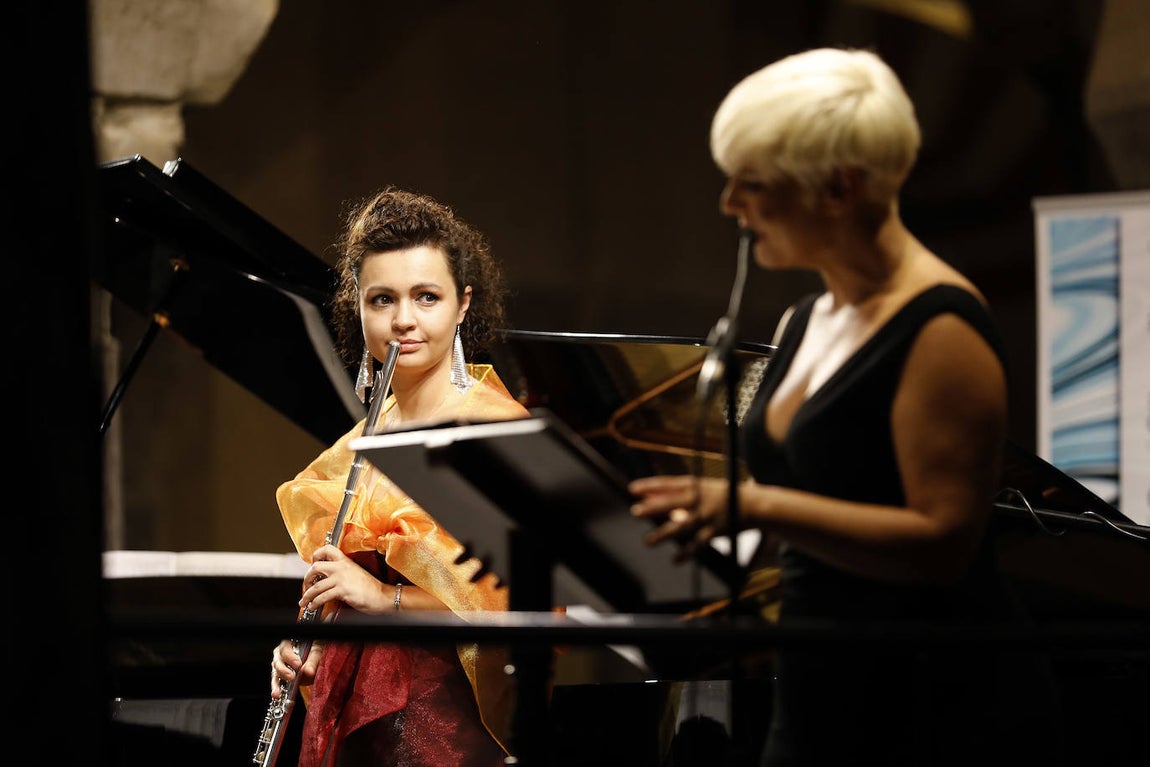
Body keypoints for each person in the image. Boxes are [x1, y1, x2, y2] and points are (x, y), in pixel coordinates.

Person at [629, 48, 1063, 766]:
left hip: (933, 698)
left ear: (839, 187)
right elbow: (806, 507)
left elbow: (943, 540)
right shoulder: (807, 319)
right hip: (820, 676)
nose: (728, 203)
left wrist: (755, 506)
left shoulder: (941, 327)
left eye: (752, 183)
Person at [269, 187, 530, 766]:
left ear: (462, 305)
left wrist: (385, 597)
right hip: (353, 733)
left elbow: (528, 608)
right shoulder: (358, 443)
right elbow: (343, 597)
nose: (403, 320)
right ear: (356, 305)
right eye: (382, 299)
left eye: (426, 297)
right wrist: (312, 649)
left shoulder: (495, 430)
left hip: (448, 734)